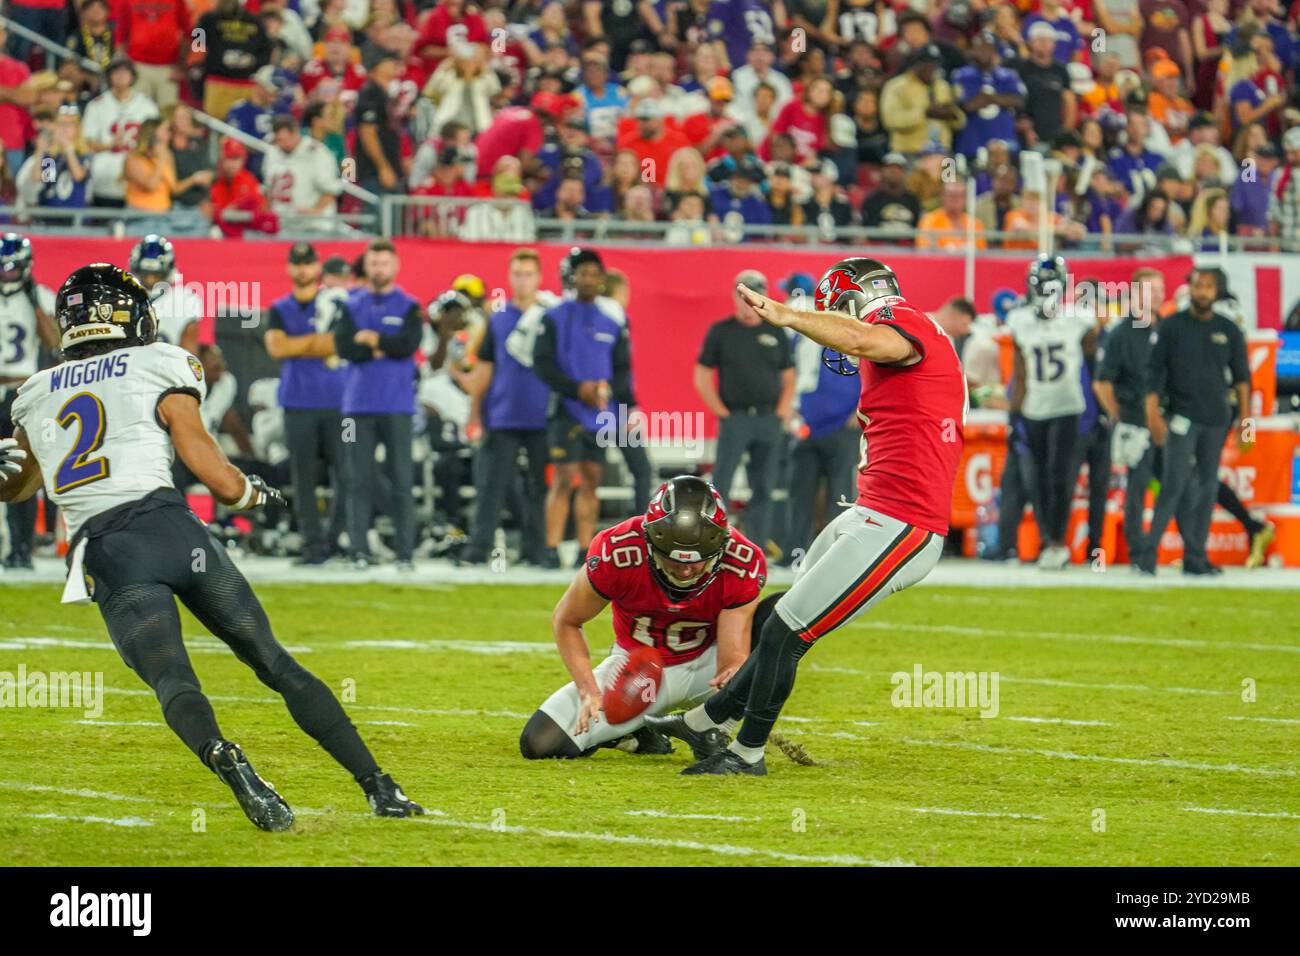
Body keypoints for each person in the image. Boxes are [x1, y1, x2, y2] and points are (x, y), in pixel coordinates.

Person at [0, 264, 422, 829]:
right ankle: (380, 787)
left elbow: (19, 487)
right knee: (274, 662)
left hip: (109, 550)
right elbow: (217, 478)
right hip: (175, 531)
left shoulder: (34, 391)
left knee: (174, 679)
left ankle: (228, 759)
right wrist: (256, 495)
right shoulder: (159, 362)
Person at [651, 258, 966, 775]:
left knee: (787, 632)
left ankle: (747, 753)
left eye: (835, 313)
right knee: (780, 617)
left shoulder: (903, 320)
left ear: (855, 300)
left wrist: (789, 315)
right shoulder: (903, 327)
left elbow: (869, 340)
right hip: (870, 511)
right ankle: (704, 723)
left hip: (903, 523)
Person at [519, 475, 769, 760]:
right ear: (652, 542)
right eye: (675, 560)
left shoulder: (742, 559)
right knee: (540, 743)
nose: (686, 571)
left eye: (696, 559)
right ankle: (638, 732)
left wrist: (735, 679)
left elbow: (732, 656)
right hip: (637, 671)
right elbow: (567, 620)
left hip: (708, 665)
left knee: (779, 615)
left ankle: (714, 729)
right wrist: (589, 689)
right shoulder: (617, 549)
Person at [1135, 266, 1249, 576]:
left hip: (1216, 419)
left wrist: (1246, 425)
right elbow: (1153, 374)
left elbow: (1242, 380)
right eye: (1198, 285)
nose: (1202, 292)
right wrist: (1152, 415)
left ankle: (1195, 556)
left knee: (1208, 487)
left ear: (1217, 291)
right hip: (1181, 417)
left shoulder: (1229, 329)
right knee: (1174, 484)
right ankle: (1148, 554)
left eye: (1209, 286)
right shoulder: (1172, 327)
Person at [532, 247, 633, 569]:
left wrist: (619, 400)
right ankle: (550, 548)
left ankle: (584, 549)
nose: (588, 279)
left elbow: (621, 368)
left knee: (592, 478)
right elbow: (542, 365)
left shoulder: (612, 321)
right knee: (564, 477)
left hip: (599, 412)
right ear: (572, 278)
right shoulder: (553, 317)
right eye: (583, 273)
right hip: (565, 408)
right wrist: (577, 389)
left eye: (594, 274)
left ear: (602, 279)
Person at [332, 239, 423, 571]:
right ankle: (359, 551)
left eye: (384, 263)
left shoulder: (410, 305)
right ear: (366, 266)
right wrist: (384, 346)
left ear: (395, 266)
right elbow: (343, 346)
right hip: (356, 406)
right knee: (356, 479)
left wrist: (373, 341)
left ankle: (405, 553)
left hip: (397, 404)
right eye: (373, 263)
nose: (379, 269)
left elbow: (408, 344)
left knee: (402, 479)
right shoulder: (350, 303)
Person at [460, 248, 554, 567]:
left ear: (539, 278)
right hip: (502, 414)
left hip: (544, 415)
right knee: (490, 486)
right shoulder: (497, 320)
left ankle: (538, 549)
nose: (523, 280)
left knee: (540, 488)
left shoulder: (551, 316)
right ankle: (478, 548)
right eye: (517, 273)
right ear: (509, 277)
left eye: (528, 273)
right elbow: (484, 368)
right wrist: (474, 410)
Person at [695, 270, 795, 561]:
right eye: (744, 296)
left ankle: (757, 547)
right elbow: (702, 373)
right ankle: (715, 546)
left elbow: (789, 376)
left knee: (764, 485)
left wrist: (781, 411)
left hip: (768, 418)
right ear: (735, 297)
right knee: (721, 484)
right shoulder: (721, 331)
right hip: (735, 418)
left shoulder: (776, 331)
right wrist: (720, 410)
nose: (749, 303)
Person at [1008, 255, 1099, 570]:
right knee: (1038, 480)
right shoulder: (1019, 320)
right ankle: (1049, 538)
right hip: (1034, 408)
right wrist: (1014, 412)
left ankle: (1057, 542)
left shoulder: (1078, 318)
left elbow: (1093, 356)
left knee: (1059, 477)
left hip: (1067, 407)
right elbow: (1020, 371)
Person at [264, 242, 346, 566]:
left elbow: (338, 342)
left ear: (317, 265)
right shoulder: (280, 307)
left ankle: (333, 539)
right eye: (297, 263)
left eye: (308, 262)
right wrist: (316, 344)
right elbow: (277, 349)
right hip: (298, 402)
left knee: (347, 474)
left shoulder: (334, 301)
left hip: (338, 402)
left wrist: (298, 344)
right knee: (303, 477)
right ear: (289, 267)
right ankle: (314, 545)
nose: (302, 269)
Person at [1094, 266, 1164, 564]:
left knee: (1178, 484)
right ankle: (1138, 551)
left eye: (1161, 290)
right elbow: (1102, 382)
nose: (1159, 296)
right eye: (1152, 290)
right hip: (1136, 421)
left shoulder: (1166, 328)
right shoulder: (1122, 333)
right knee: (1137, 489)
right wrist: (1119, 416)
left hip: (1165, 421)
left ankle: (1181, 548)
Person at [0, 234, 57, 570]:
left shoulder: (41, 297)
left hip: (21, 393)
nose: (7, 274)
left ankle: (22, 548)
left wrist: (35, 302)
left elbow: (53, 343)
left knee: (17, 471)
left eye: (12, 268)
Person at [128, 234, 202, 353]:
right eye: (145, 274)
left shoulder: (184, 301)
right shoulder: (123, 299)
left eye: (156, 275)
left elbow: (189, 356)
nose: (150, 281)